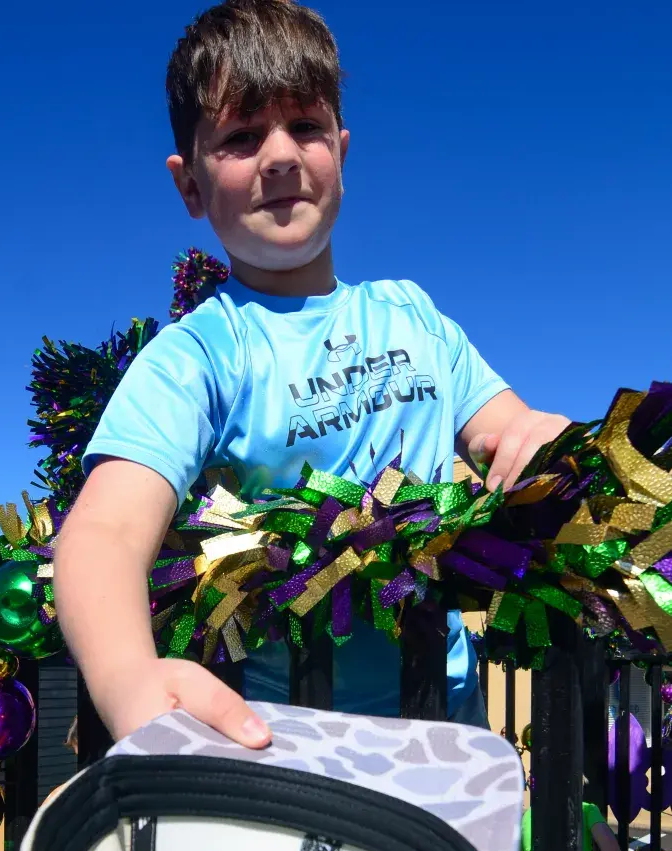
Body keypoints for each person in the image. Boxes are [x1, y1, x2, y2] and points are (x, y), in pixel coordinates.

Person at [54, 0, 570, 747]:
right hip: (280, 745)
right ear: (190, 186)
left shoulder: (415, 317)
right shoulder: (196, 356)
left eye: (304, 126)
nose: (279, 156)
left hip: (444, 735)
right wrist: (127, 676)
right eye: (240, 136)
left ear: (342, 153)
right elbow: (103, 530)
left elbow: (510, 433)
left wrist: (544, 440)